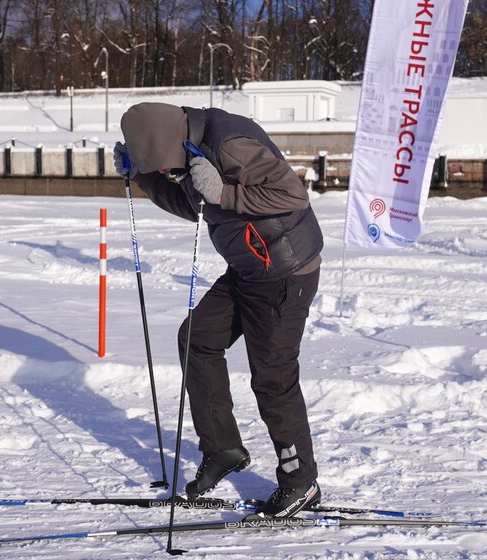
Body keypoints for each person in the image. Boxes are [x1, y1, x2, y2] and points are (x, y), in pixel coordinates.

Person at [114, 102, 324, 518]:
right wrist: (142, 176)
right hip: (249, 266)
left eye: (165, 168)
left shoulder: (229, 143)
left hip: (285, 271)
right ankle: (223, 448)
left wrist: (223, 191)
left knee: (272, 379)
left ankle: (301, 482)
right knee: (196, 338)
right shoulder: (187, 144)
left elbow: (292, 194)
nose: (169, 174)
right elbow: (193, 204)